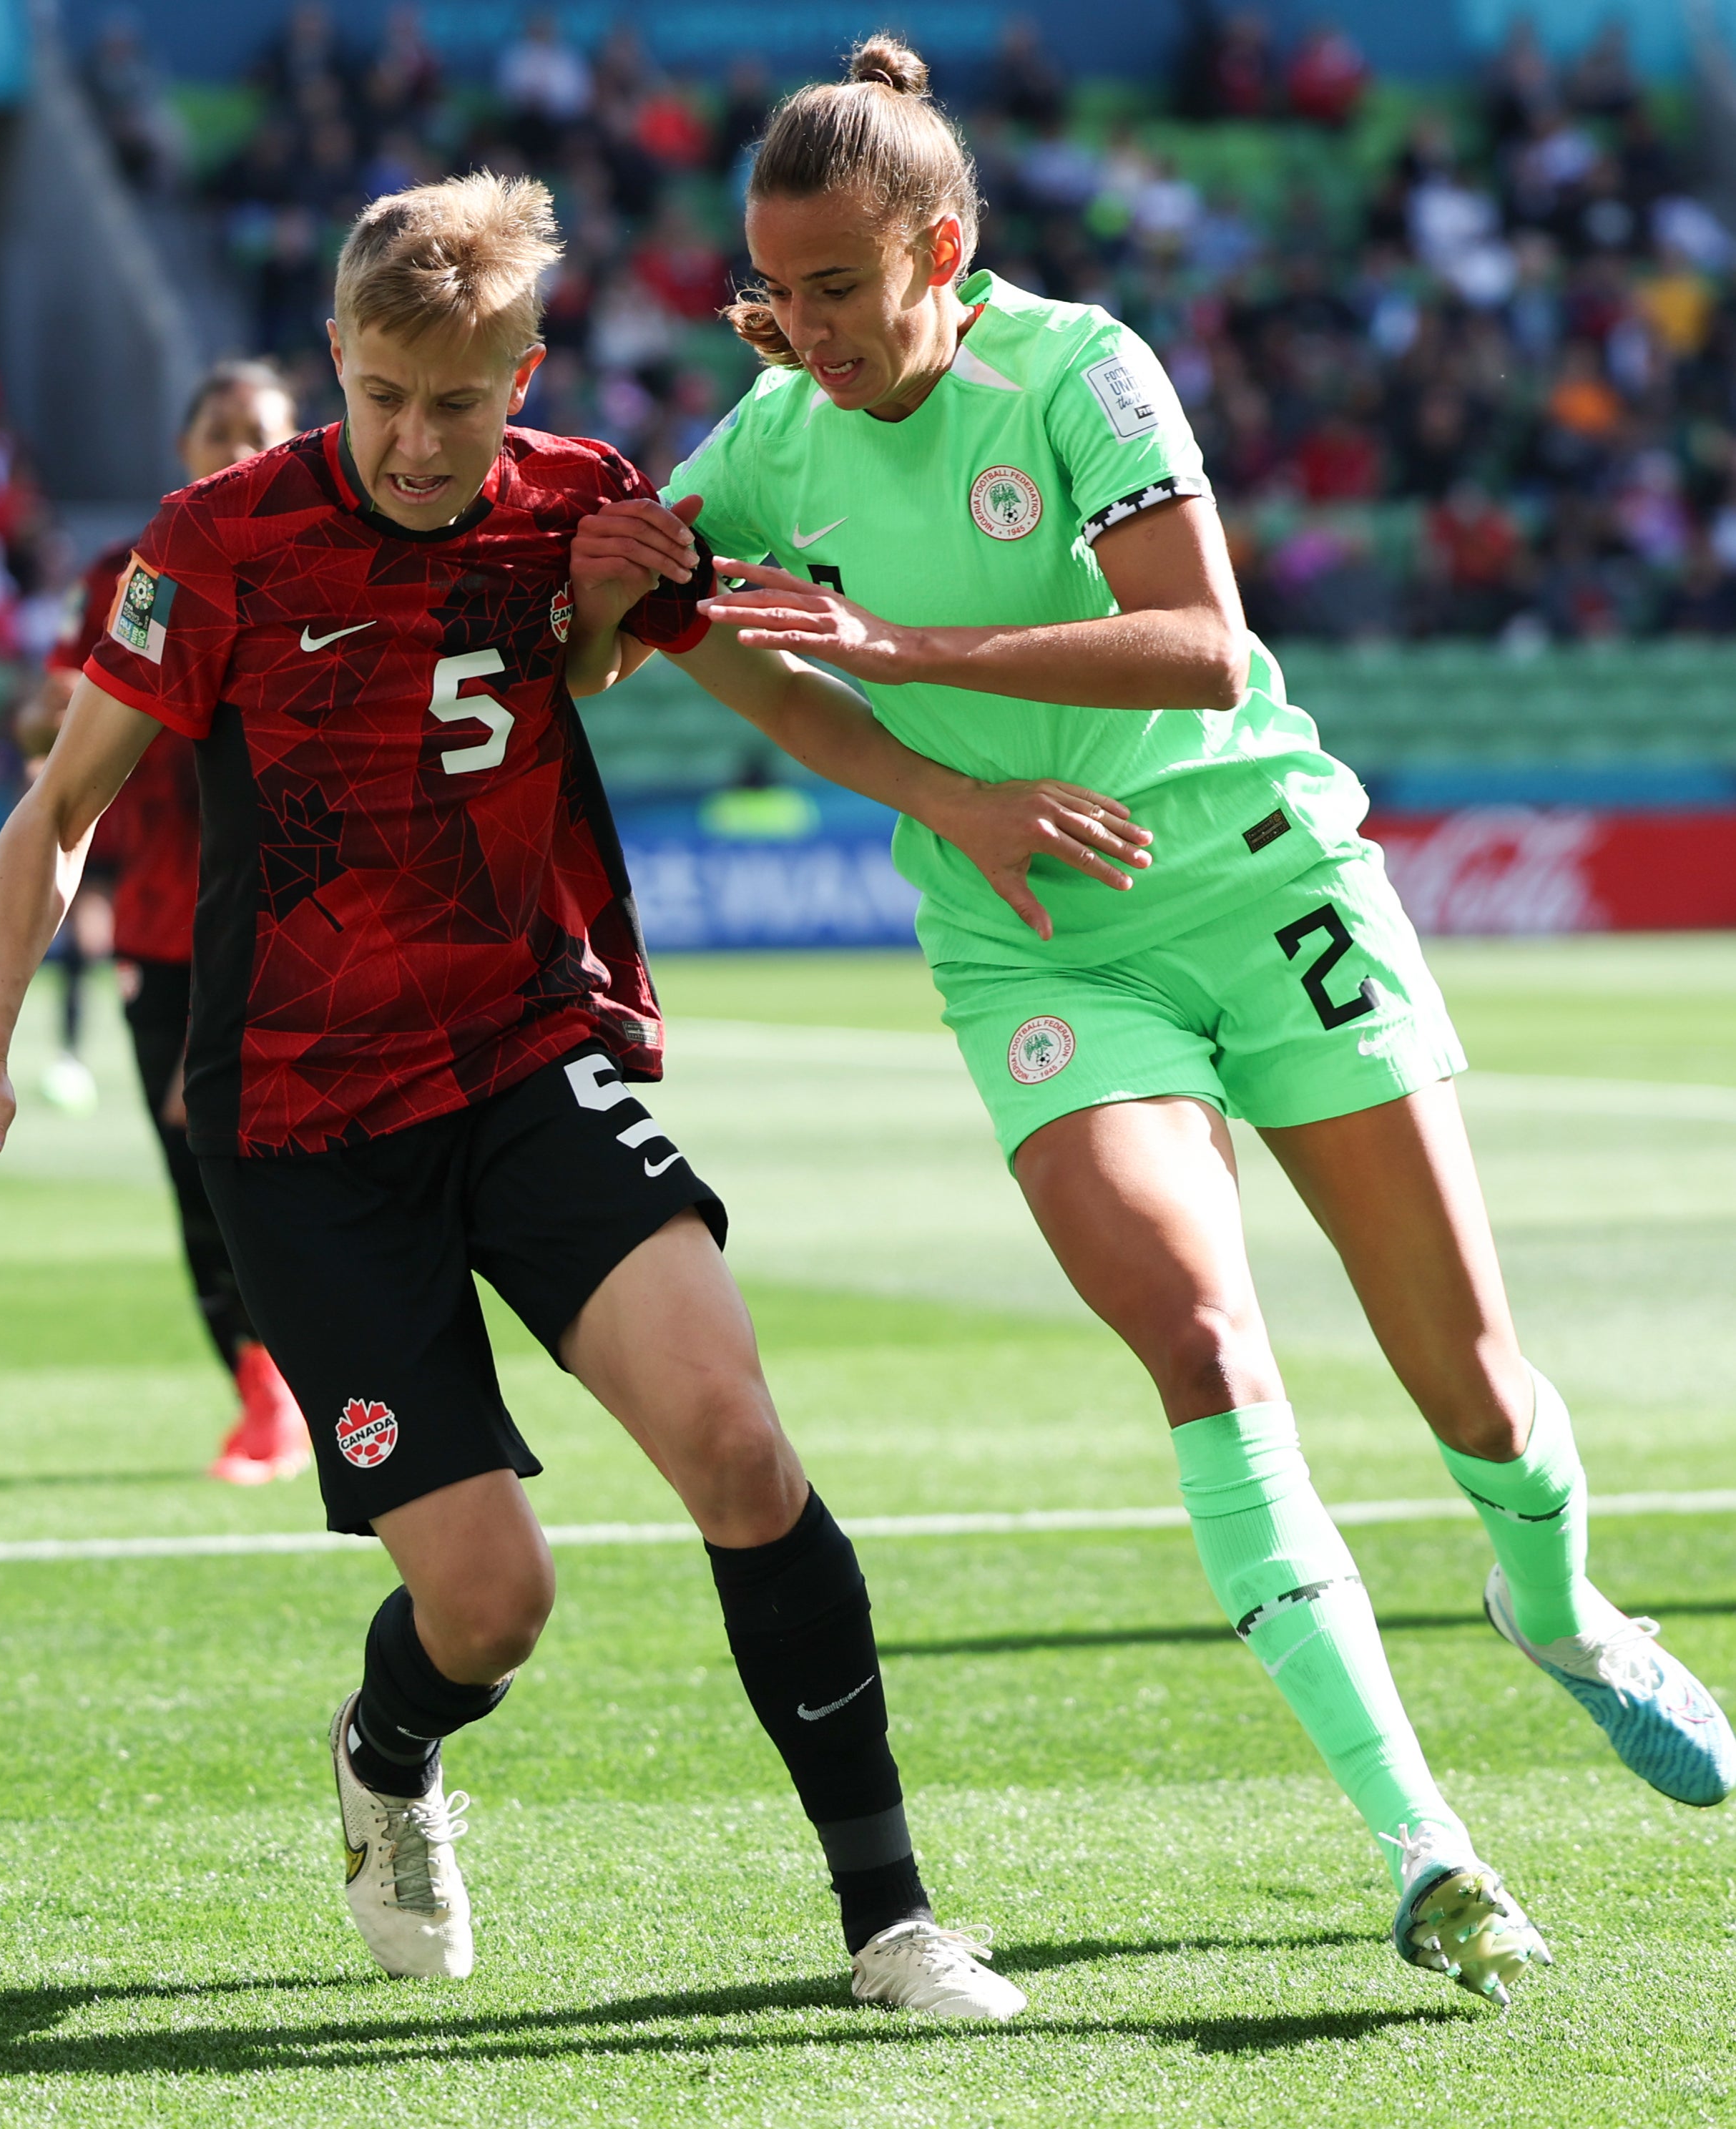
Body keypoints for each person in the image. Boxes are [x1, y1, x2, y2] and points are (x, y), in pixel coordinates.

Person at [0, 173, 1152, 2017]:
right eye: (381, 396)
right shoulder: (217, 543)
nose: (411, 438)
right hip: (302, 1128)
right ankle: (389, 1751)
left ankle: (890, 1921)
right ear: (337, 360)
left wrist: (949, 793)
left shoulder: (585, 512)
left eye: (455, 405)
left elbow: (773, 698)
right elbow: (58, 809)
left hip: (530, 1056)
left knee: (735, 1438)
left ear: (518, 376)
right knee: (493, 1607)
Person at [652, 34, 1735, 2009]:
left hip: (1260, 875)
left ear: (941, 249)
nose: (794, 329)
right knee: (1203, 1341)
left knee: (1471, 1386)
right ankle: (1428, 1849)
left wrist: (913, 651)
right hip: (1040, 939)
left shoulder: (1079, 369)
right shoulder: (761, 448)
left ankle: (1559, 1608)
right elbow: (660, 617)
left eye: (833, 287)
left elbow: (1199, 639)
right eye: (769, 288)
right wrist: (939, 783)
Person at [33, 358, 314, 1484]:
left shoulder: (335, 565)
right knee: (201, 1162)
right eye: (217, 428)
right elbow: (51, 722)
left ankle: (346, 1381)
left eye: (260, 429)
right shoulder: (127, 575)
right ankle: (266, 1393)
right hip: (171, 921)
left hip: (313, 917)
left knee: (317, 1161)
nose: (237, 447)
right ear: (183, 449)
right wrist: (47, 715)